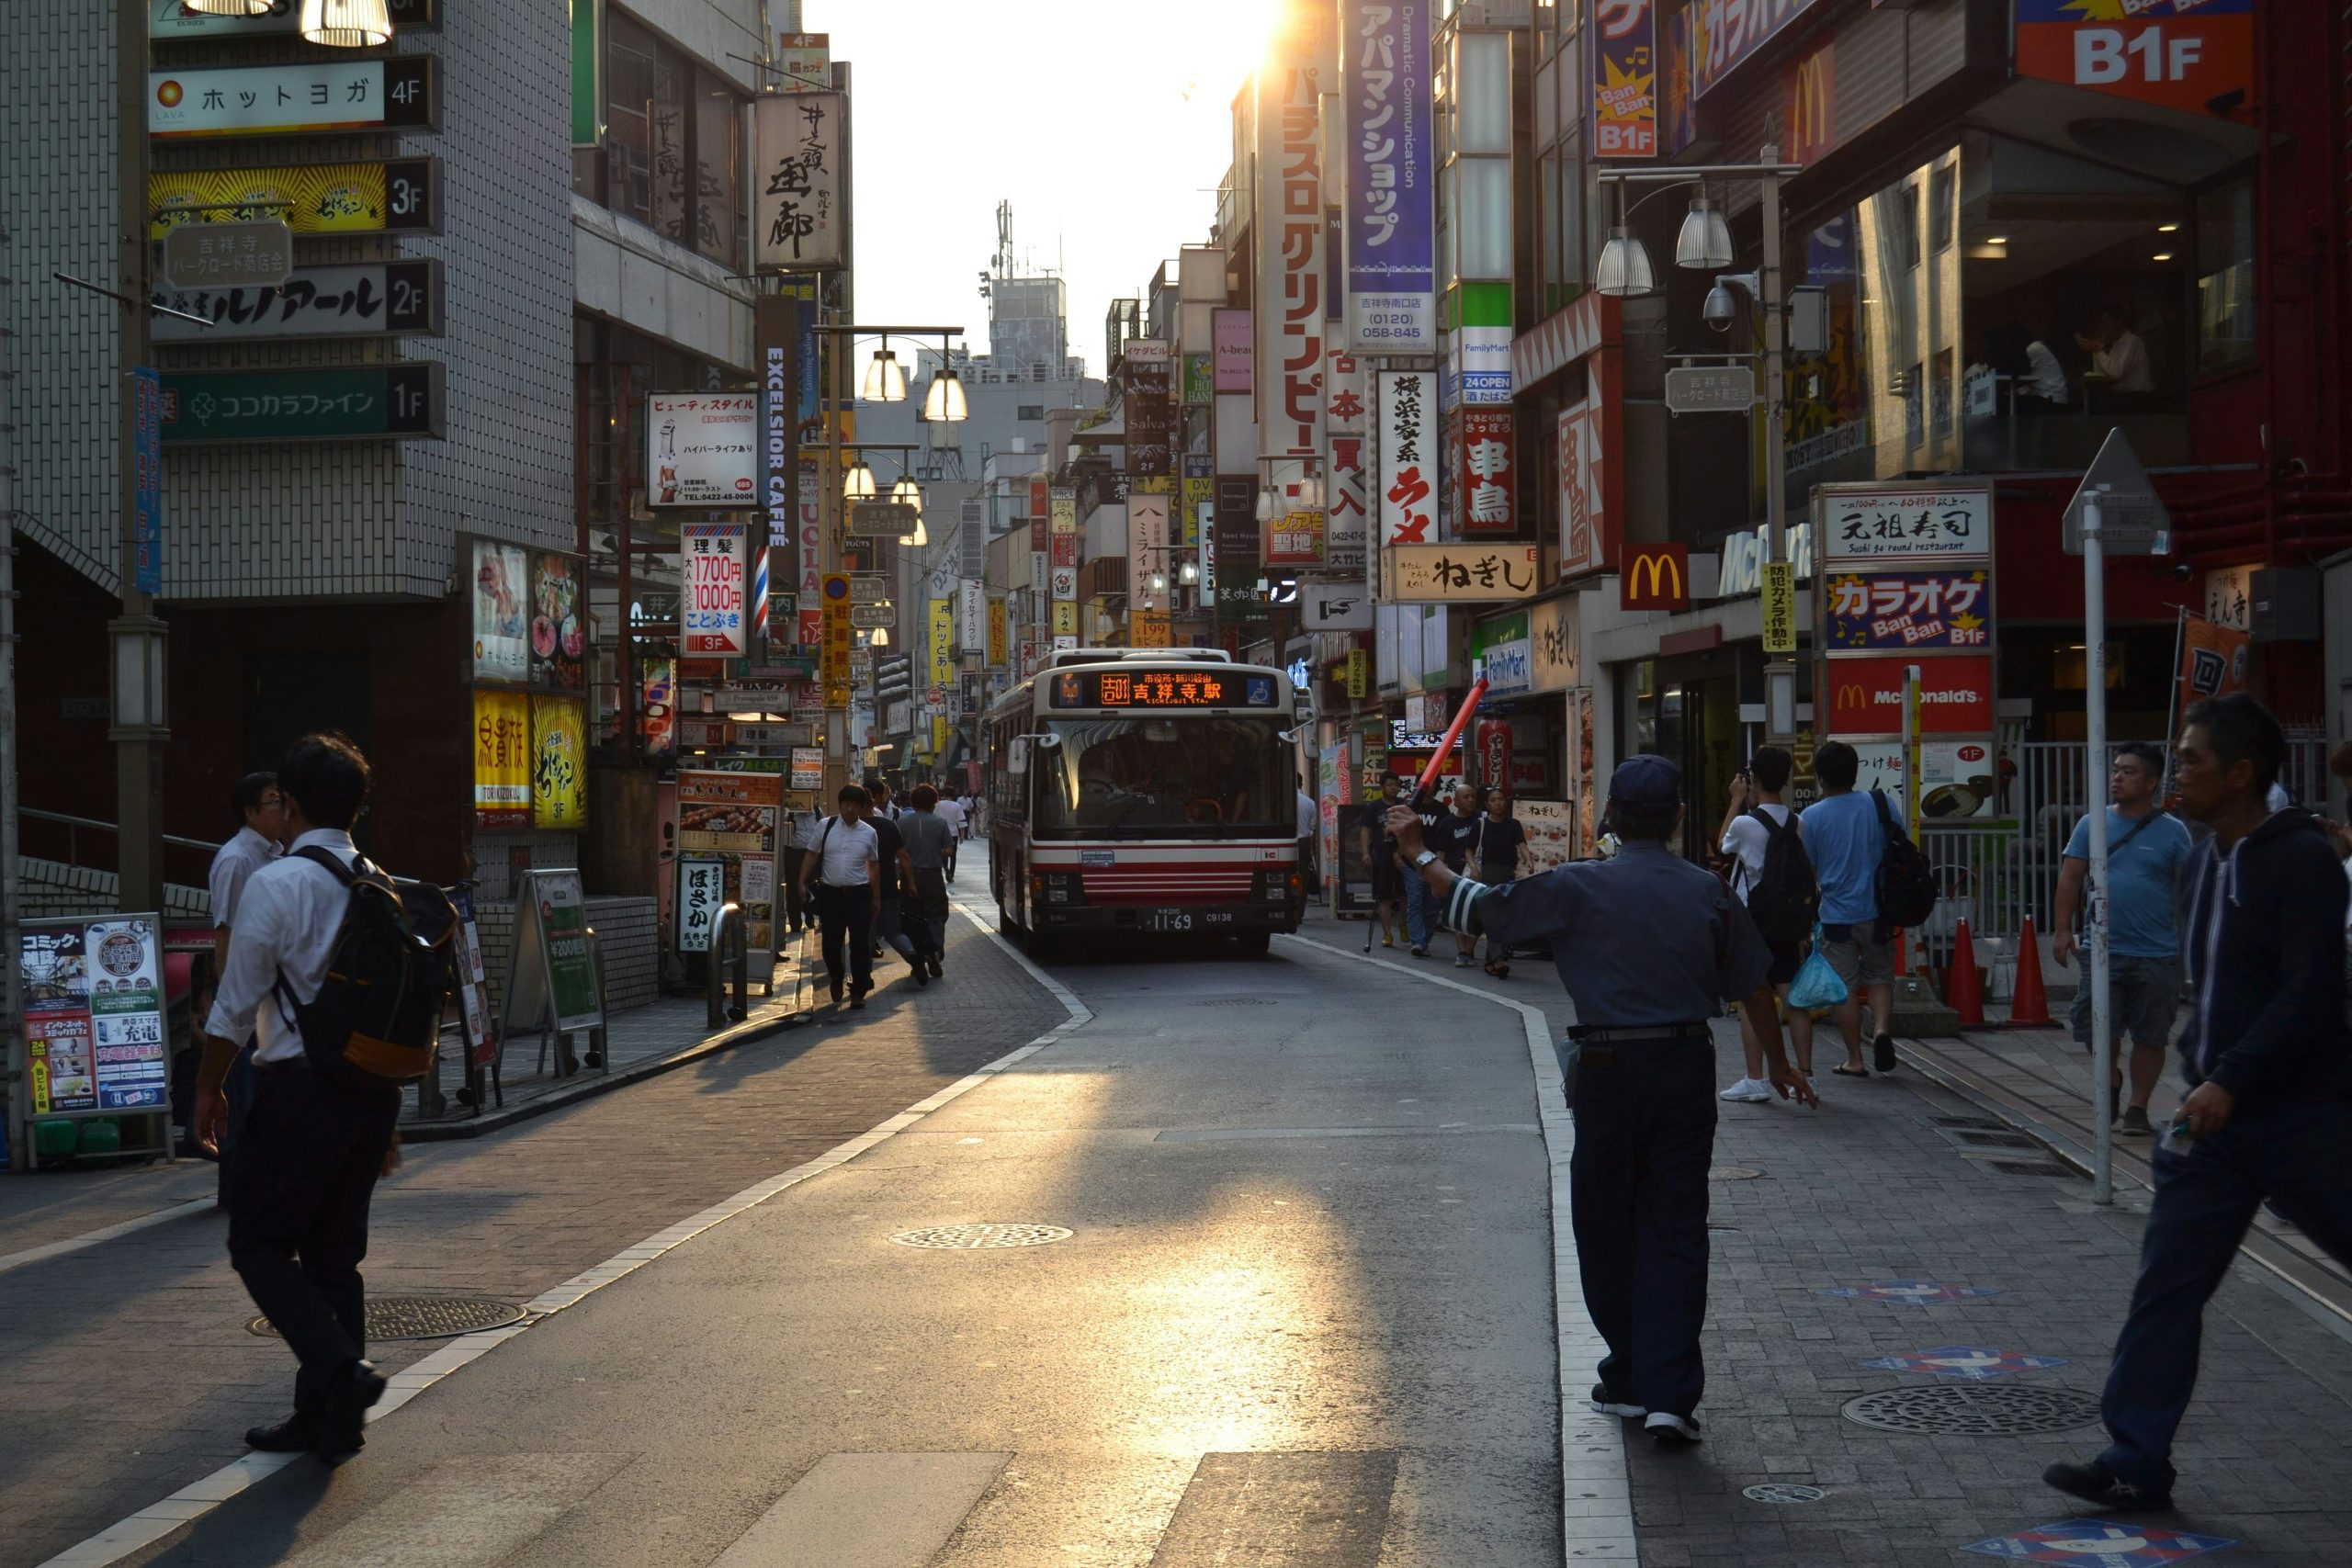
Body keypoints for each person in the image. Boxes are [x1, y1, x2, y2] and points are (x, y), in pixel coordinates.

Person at [1389, 756, 1815, 1447]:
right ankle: (1670, 1393)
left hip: (1609, 1070)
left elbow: (1476, 906)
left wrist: (1418, 853)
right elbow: (1754, 986)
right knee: (1676, 1226)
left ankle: (1629, 1375)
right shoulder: (1706, 892)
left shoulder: (1577, 884)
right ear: (1679, 817)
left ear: (1611, 817)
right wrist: (1786, 1064)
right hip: (1684, 1066)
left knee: (1606, 1225)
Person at [2045, 694, 2352, 1512]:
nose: (2177, 772)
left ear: (2243, 774)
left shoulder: (2301, 861)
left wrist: (2232, 1076)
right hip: (2215, 1123)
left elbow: (2311, 991)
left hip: (2303, 1117)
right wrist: (2198, 1070)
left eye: (2191, 761)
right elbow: (2212, 992)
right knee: (2167, 1283)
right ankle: (2134, 1457)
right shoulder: (2209, 855)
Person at [190, 735, 402, 1467]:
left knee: (257, 1243)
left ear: (290, 802)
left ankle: (342, 1373)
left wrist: (208, 1086)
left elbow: (234, 1003)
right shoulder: (380, 881)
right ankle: (328, 1421)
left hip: (296, 1091)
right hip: (369, 1094)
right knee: (335, 1254)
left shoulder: (277, 885)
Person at [2052, 741, 2195, 1136]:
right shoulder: (2091, 824)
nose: (2117, 777)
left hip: (2156, 951)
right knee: (2096, 1025)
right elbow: (2070, 879)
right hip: (2102, 950)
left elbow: (2188, 889)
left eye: (2128, 771)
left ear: (2151, 782)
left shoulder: (2173, 831)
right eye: (2115, 769)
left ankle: (2137, 1107)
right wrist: (2063, 930)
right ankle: (2111, 1078)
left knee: (2151, 1033)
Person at [193, 773, 286, 1152]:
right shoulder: (236, 860)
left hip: (271, 995)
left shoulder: (278, 852)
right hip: (250, 998)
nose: (282, 809)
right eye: (273, 801)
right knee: (244, 1099)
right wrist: (232, 999)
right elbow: (225, 932)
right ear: (250, 812)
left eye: (284, 799)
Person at [1716, 747, 1815, 1102]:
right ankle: (1805, 1073)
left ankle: (1755, 1079)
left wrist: (1736, 801)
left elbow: (1722, 846)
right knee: (1793, 997)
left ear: (1753, 780)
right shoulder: (1797, 822)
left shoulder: (1745, 823)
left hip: (1753, 919)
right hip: (1787, 921)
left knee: (1753, 996)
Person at [1801, 740, 1903, 1077]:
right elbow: (1899, 842)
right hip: (1879, 909)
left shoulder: (1812, 817)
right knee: (1879, 976)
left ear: (1820, 777)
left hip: (1836, 914)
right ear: (1856, 772)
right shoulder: (1879, 802)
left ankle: (1855, 1059)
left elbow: (1809, 868)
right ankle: (1882, 1031)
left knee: (1842, 988)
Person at [797, 784, 882, 1009]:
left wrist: (876, 896)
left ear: (862, 807)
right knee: (831, 944)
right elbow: (811, 855)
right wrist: (801, 882)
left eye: (855, 804)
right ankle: (836, 976)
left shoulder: (869, 833)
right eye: (846, 804)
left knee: (860, 945)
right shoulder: (825, 826)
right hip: (831, 895)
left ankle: (859, 990)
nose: (850, 809)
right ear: (840, 804)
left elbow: (874, 866)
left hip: (859, 895)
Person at [863, 784, 924, 984]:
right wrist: (911, 883)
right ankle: (912, 956)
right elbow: (904, 857)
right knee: (893, 931)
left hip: (862, 888)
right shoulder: (888, 825)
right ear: (873, 802)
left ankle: (864, 976)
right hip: (888, 885)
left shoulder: (855, 827)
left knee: (863, 936)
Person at [899, 784, 956, 980]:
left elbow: (898, 852)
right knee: (937, 916)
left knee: (912, 918)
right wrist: (935, 852)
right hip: (933, 876)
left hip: (909, 877)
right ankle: (935, 953)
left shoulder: (902, 823)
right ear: (934, 802)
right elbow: (949, 850)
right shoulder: (940, 823)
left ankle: (919, 957)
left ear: (912, 802)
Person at [1429, 784, 1486, 967]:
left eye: (1472, 797)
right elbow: (1441, 853)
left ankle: (1470, 950)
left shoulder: (1481, 819)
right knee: (1458, 912)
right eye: (1466, 797)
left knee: (1478, 914)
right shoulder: (1447, 823)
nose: (1470, 800)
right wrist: (1435, 880)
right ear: (1456, 801)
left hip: (1478, 872)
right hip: (1455, 872)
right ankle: (1462, 951)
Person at [1472, 792, 1528, 977]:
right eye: (1493, 801)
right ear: (1487, 804)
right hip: (1487, 873)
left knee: (1502, 917)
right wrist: (1473, 867)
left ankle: (1491, 963)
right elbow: (1468, 850)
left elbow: (1521, 844)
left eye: (1501, 800)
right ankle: (1497, 959)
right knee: (1495, 915)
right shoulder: (1481, 824)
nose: (1498, 804)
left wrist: (1528, 859)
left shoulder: (1513, 824)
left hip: (1508, 874)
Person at [1365, 774, 1411, 949]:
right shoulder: (1374, 807)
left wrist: (1401, 852)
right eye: (1390, 785)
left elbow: (1409, 831)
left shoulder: (1404, 806)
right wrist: (1365, 853)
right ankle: (1387, 933)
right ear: (1382, 787)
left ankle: (1403, 924)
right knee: (1384, 897)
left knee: (1404, 894)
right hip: (1381, 856)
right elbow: (1366, 830)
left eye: (1396, 785)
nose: (1393, 788)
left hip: (1403, 856)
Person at [2076, 301, 2153, 392]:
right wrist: (2095, 352)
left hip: (2141, 397)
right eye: (2102, 323)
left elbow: (2117, 373)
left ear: (2119, 320)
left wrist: (2098, 351)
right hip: (2125, 397)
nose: (2104, 327)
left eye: (2107, 321)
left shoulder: (2133, 342)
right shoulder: (2115, 345)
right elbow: (2103, 375)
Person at [781, 800, 825, 937]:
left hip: (815, 854)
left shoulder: (818, 813)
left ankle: (811, 915)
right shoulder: (789, 813)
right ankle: (795, 923)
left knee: (815, 887)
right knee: (794, 888)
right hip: (794, 854)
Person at [933, 784, 967, 881]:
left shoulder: (938, 804)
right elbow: (961, 821)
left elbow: (933, 816)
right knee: (953, 854)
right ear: (953, 795)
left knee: (943, 853)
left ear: (944, 793)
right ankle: (951, 874)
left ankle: (945, 868)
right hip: (953, 833)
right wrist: (962, 835)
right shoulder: (957, 806)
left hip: (941, 832)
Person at [1296, 773, 1320, 891]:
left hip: (1285, 840)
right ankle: (1301, 902)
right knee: (1303, 874)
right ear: (1301, 783)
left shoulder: (1283, 801)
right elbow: (1312, 827)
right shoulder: (1309, 802)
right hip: (1304, 842)